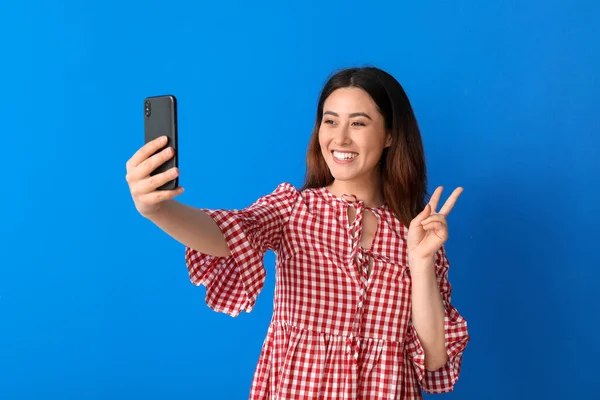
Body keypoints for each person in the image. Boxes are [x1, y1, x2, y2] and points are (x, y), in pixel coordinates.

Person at [125, 66, 469, 399]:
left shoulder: (417, 234)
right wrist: (158, 209)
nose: (340, 137)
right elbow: (230, 232)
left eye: (359, 123)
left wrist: (421, 262)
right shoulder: (293, 210)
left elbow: (435, 359)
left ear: (391, 135)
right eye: (330, 121)